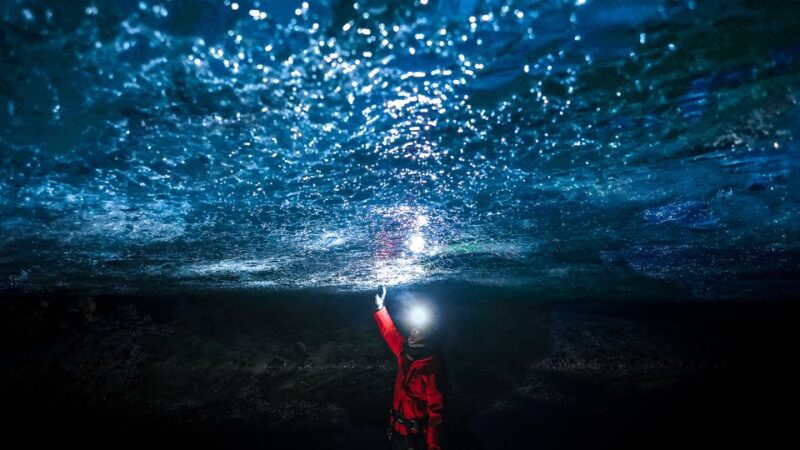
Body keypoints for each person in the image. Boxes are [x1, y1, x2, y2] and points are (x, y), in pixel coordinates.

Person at [373, 286, 445, 450]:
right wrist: (380, 307)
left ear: (428, 337)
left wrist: (433, 446)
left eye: (418, 332)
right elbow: (390, 332)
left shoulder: (432, 368)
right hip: (397, 436)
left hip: (415, 441)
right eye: (413, 329)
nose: (412, 333)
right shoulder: (405, 354)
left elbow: (436, 413)